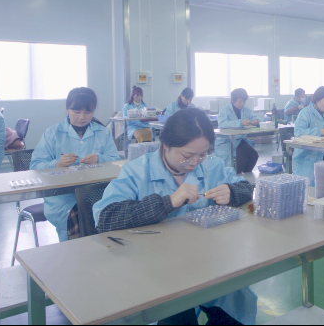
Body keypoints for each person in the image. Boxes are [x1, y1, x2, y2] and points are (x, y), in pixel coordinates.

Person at [94, 109, 257, 325]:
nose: (195, 162)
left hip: (207, 261)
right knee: (175, 313)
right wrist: (167, 202)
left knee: (235, 301)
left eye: (202, 154)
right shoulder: (137, 171)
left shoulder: (212, 166)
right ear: (166, 145)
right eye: (186, 156)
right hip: (155, 267)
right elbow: (107, 217)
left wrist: (232, 192)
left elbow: (247, 188)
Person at [31, 87, 120, 242]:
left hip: (96, 192)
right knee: (79, 218)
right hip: (62, 197)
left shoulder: (103, 132)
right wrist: (57, 164)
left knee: (113, 214)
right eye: (76, 111)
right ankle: (76, 255)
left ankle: (101, 254)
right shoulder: (52, 133)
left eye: (87, 112)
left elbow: (116, 162)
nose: (82, 117)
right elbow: (35, 166)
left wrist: (100, 158)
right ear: (67, 109)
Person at [292, 86, 324, 183]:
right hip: (307, 159)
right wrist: (321, 131)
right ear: (317, 99)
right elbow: (298, 133)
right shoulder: (305, 113)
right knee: (309, 188)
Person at [215, 88, 259, 174]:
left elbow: (254, 117)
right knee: (241, 158)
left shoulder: (246, 110)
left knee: (253, 155)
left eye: (244, 101)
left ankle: (246, 176)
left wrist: (256, 121)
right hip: (227, 141)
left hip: (240, 140)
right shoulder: (225, 110)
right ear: (233, 100)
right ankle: (234, 178)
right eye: (240, 101)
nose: (242, 104)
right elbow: (222, 123)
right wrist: (240, 123)